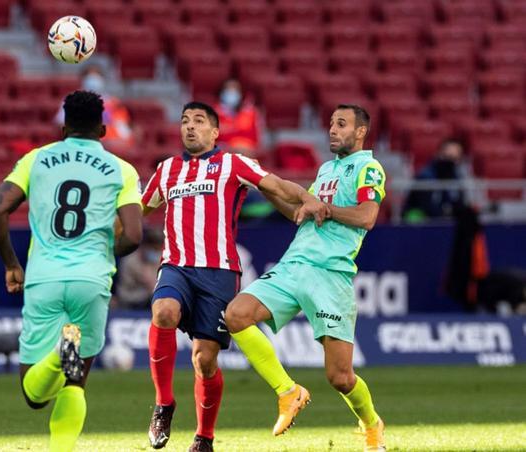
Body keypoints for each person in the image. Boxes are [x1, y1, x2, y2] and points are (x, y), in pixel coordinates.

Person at [142, 101, 326, 452]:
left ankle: (204, 437)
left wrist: (306, 197)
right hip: (176, 264)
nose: (190, 127)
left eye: (199, 121)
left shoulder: (232, 163)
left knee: (204, 360)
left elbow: (274, 184)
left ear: (215, 132)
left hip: (220, 271)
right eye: (184, 121)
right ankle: (164, 403)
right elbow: (140, 208)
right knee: (164, 311)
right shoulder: (167, 170)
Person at [224, 104, 388, 451]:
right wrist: (270, 192)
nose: (332, 129)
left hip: (331, 275)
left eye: (341, 124)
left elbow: (367, 217)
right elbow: (303, 213)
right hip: (294, 265)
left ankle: (371, 424)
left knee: (340, 378)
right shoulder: (327, 169)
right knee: (236, 315)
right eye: (330, 123)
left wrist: (327, 209)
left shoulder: (369, 168)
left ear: (360, 132)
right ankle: (288, 392)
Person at [0, 90, 143, 452]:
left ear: (63, 127)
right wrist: (104, 252)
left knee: (34, 394)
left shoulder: (36, 160)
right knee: (74, 382)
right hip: (91, 279)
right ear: (103, 130)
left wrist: (12, 264)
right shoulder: (122, 169)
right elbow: (134, 235)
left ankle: (59, 352)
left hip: (44, 277)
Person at [55, 65, 135, 154]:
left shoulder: (113, 103)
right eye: (90, 77)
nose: (93, 81)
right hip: (83, 146)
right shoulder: (72, 100)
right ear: (83, 79)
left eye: (96, 77)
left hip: (112, 147)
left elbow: (123, 129)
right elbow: (61, 123)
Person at [402, 138, 468, 221]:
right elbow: (426, 206)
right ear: (439, 154)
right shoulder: (425, 176)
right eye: (448, 157)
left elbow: (459, 204)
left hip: (446, 222)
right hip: (423, 220)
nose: (450, 162)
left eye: (455, 158)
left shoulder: (456, 177)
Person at [115, 227, 164, 310]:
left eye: (158, 248)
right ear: (145, 246)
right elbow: (150, 283)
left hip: (148, 299)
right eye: (153, 248)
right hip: (129, 300)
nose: (156, 251)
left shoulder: (159, 258)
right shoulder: (131, 260)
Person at [214, 79, 262, 158]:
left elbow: (253, 136)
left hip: (247, 150)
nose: (231, 92)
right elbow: (215, 136)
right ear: (222, 92)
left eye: (234, 90)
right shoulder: (214, 112)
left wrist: (229, 130)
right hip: (223, 150)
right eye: (228, 89)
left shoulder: (250, 112)